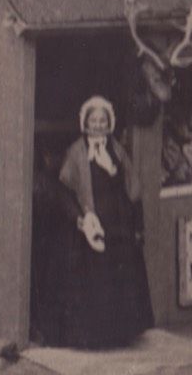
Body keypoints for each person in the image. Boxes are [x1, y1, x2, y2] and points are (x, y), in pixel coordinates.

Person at [47, 95, 154, 349]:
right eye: (93, 120)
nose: (97, 124)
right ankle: (92, 338)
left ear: (109, 123)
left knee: (117, 281)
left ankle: (118, 335)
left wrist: (138, 225)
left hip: (118, 226)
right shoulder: (75, 153)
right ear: (85, 123)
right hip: (91, 227)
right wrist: (79, 220)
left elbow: (133, 189)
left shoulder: (116, 150)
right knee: (92, 282)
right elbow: (64, 191)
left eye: (102, 120)